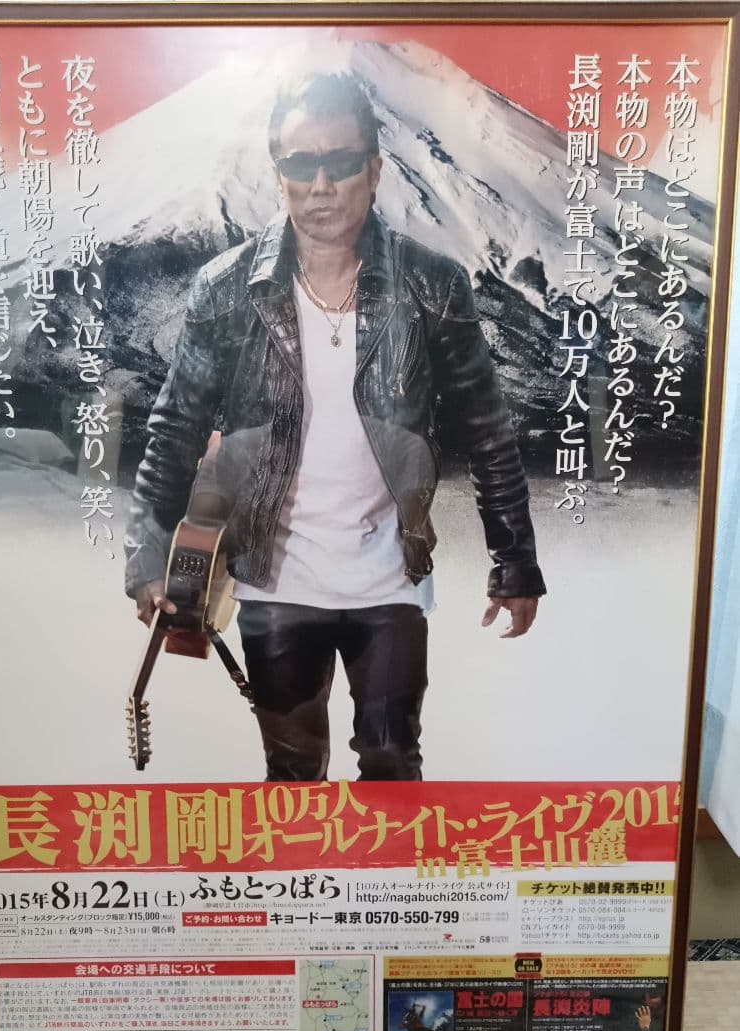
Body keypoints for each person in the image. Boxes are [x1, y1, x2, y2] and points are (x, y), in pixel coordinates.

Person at [124, 71, 546, 782]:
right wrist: (147, 563)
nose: (321, 185)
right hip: (271, 583)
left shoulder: (432, 284)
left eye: (341, 162)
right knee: (293, 775)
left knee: (391, 764)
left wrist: (514, 561)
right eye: (301, 164)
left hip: (390, 580)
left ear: (374, 170)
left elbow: (487, 430)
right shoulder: (225, 290)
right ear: (278, 174)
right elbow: (174, 430)